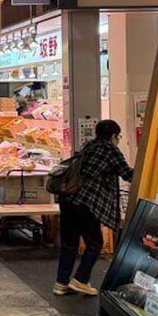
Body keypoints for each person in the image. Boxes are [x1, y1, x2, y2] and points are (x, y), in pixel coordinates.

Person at [54, 120, 133, 296]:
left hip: (68, 199)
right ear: (113, 136)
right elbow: (128, 174)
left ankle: (61, 283)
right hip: (86, 203)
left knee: (69, 244)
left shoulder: (88, 146)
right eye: (118, 136)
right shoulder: (110, 150)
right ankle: (81, 279)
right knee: (95, 242)